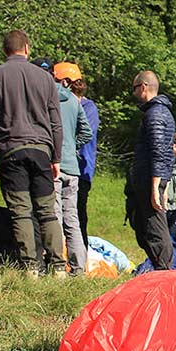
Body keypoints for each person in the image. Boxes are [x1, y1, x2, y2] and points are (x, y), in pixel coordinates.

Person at [0, 30, 66, 278]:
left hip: (11, 151)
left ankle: (31, 267)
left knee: (21, 211)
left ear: (4, 50)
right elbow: (55, 122)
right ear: (27, 48)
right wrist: (56, 156)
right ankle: (58, 267)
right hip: (41, 151)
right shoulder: (46, 78)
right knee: (47, 211)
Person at [126, 70, 176, 272]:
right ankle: (161, 267)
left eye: (134, 88)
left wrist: (156, 185)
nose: (134, 93)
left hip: (149, 178)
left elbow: (158, 151)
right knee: (144, 223)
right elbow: (167, 153)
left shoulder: (154, 114)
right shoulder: (162, 112)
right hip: (154, 177)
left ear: (144, 87)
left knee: (154, 226)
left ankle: (164, 270)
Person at [52, 61, 92, 276]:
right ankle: (79, 269)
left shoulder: (46, 99)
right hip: (73, 168)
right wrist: (71, 146)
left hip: (54, 166)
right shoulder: (76, 103)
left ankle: (57, 266)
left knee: (55, 217)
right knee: (73, 220)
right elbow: (86, 133)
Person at [74, 77, 100, 241]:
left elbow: (85, 134)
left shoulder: (88, 108)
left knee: (77, 216)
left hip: (81, 170)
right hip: (63, 168)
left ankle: (80, 257)